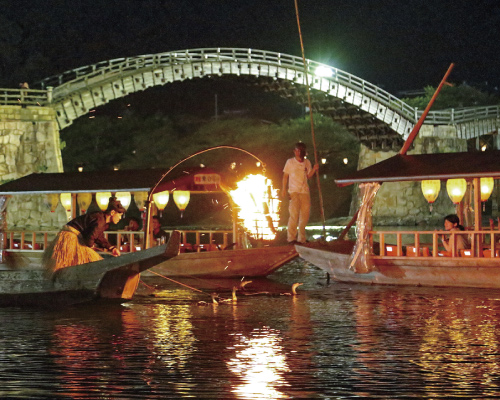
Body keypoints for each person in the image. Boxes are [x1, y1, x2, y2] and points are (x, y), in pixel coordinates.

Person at [43, 197, 126, 275]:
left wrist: (111, 248)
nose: (120, 218)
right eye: (119, 215)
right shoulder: (100, 220)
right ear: (112, 212)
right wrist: (91, 246)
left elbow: (98, 236)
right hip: (70, 237)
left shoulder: (102, 221)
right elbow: (90, 238)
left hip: (77, 238)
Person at [282, 142, 319, 244]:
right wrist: (284, 189)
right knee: (294, 214)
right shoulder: (290, 162)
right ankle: (291, 238)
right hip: (294, 191)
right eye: (296, 150)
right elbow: (285, 176)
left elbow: (308, 176)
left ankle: (301, 238)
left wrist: (315, 169)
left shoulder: (307, 162)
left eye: (299, 150)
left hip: (304, 191)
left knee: (305, 215)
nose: (297, 152)